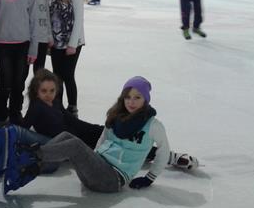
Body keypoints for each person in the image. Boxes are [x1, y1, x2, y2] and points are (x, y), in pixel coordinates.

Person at [23, 69, 199, 172]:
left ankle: (168, 155)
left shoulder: (55, 102)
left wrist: (97, 129)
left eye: (52, 90)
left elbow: (71, 120)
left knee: (115, 134)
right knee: (120, 145)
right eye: (44, 91)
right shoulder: (36, 107)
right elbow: (23, 128)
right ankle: (170, 158)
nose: (49, 94)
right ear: (35, 91)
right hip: (72, 142)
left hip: (77, 133)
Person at [38, 76, 171, 192]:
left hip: (113, 179)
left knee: (75, 145)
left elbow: (164, 150)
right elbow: (103, 138)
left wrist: (149, 178)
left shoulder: (153, 125)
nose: (131, 102)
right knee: (66, 136)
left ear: (145, 99)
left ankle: (33, 155)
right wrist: (92, 158)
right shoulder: (117, 116)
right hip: (97, 170)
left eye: (137, 97)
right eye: (128, 97)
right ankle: (35, 166)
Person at [48, 0, 85, 117]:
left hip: (73, 42)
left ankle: (72, 108)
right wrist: (49, 37)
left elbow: (79, 19)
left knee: (68, 75)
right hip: (56, 41)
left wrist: (72, 44)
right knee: (57, 76)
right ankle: (58, 107)